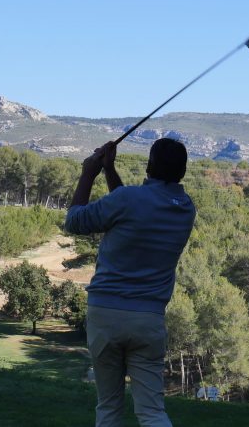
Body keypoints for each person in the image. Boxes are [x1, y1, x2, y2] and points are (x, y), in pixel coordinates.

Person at [65, 138, 196, 427]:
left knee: (109, 407)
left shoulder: (128, 200)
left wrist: (89, 174)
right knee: (152, 412)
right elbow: (132, 207)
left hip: (106, 313)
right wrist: (110, 171)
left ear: (149, 166)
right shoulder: (185, 208)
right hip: (149, 319)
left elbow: (75, 222)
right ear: (182, 172)